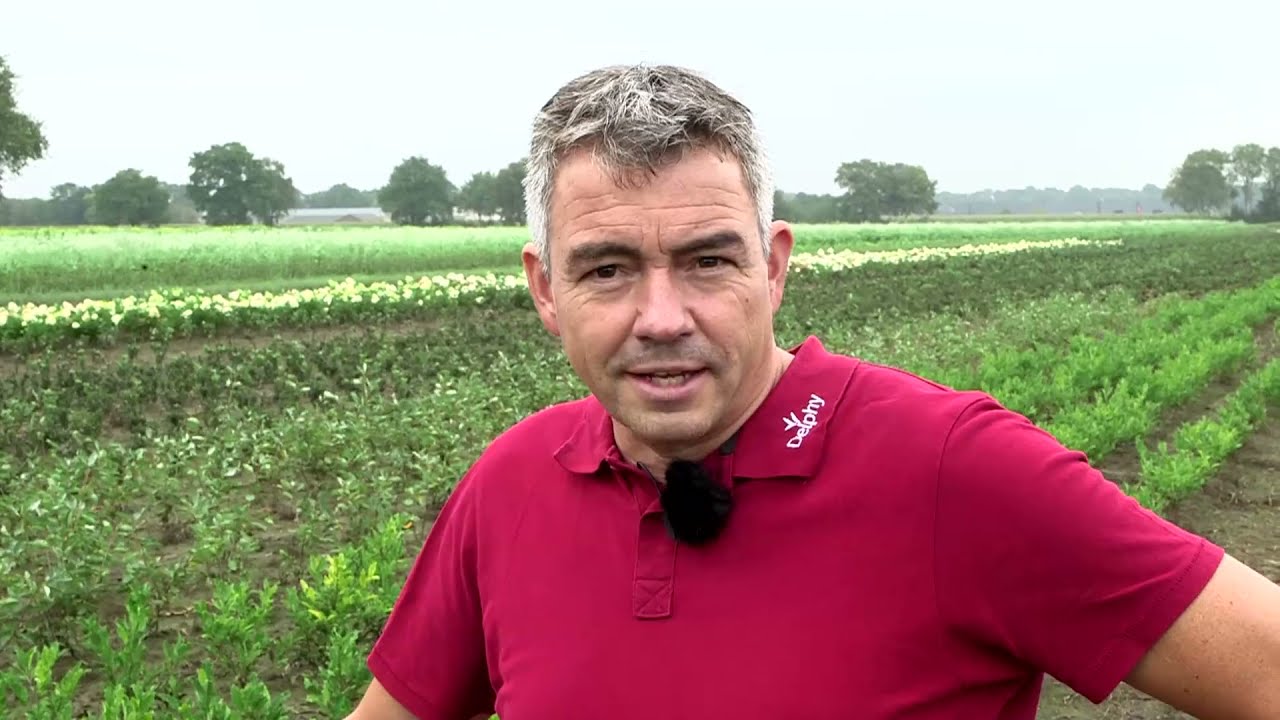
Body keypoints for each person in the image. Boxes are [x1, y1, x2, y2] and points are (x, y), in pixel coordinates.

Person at [346, 64, 1280, 719]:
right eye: (607, 269)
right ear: (545, 289)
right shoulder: (512, 483)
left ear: (775, 267)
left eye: (708, 260)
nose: (662, 316)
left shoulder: (955, 468)